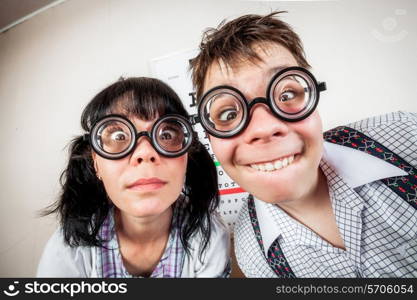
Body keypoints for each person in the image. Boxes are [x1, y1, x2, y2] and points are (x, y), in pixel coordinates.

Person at [189, 11, 417, 277]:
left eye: (286, 94)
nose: (264, 127)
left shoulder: (407, 136)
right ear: (209, 136)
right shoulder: (254, 254)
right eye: (229, 114)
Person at [37, 77, 231, 278]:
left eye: (166, 135)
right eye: (119, 136)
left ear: (186, 154)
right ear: (96, 163)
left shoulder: (209, 235)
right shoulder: (69, 248)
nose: (145, 153)